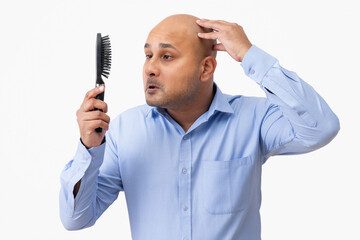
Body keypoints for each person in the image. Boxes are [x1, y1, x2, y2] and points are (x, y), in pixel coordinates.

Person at [59, 14, 340, 240]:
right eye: (148, 56)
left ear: (206, 68)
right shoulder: (124, 130)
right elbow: (76, 219)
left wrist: (250, 56)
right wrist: (89, 149)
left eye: (166, 57)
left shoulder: (254, 118)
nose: (150, 69)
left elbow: (321, 128)